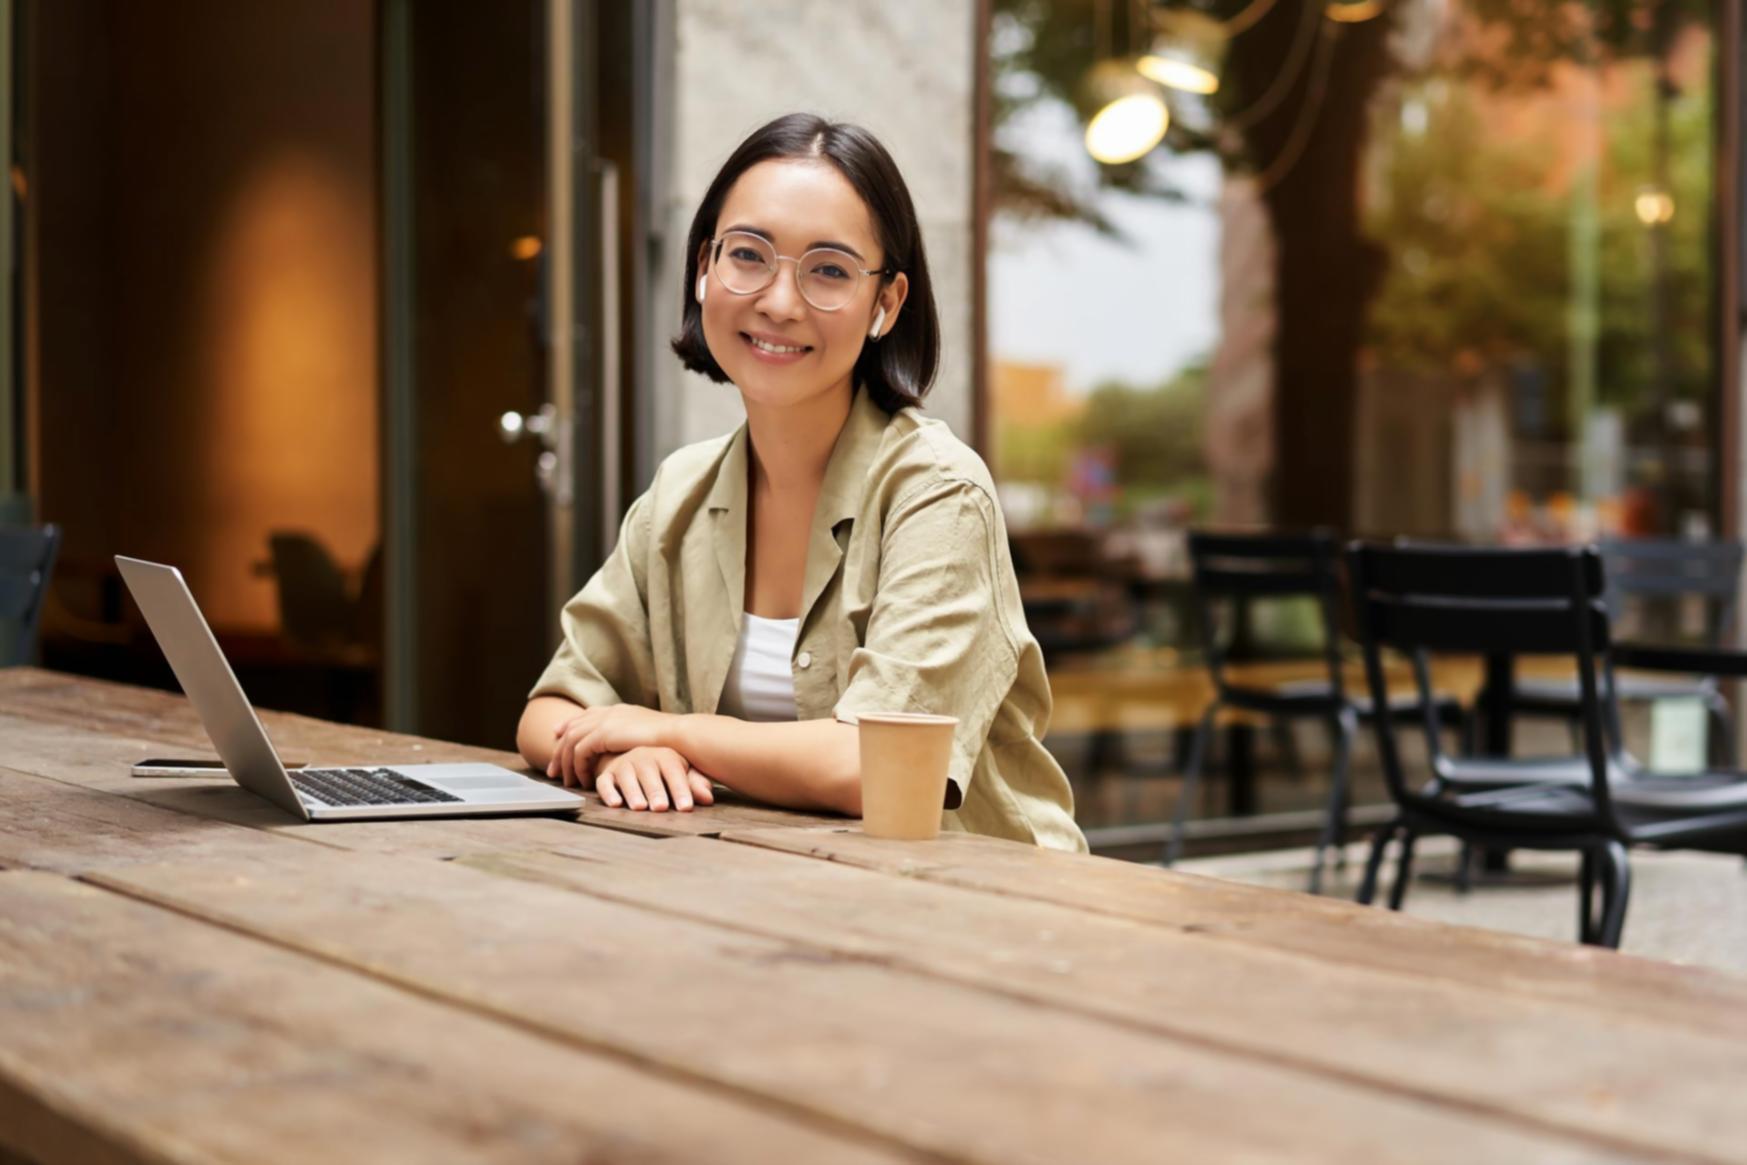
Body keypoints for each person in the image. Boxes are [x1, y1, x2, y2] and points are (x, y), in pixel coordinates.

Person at [516, 113, 1085, 851]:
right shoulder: (681, 491)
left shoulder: (938, 492)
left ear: (887, 304)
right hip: (772, 887)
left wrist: (670, 732)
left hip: (983, 899)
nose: (779, 302)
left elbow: (873, 765)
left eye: (828, 270)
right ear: (703, 267)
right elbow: (552, 707)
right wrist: (621, 754)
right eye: (747, 255)